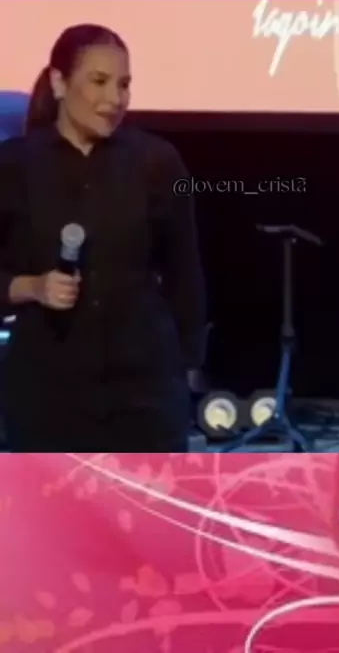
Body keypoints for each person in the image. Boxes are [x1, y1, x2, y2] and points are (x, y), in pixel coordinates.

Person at [0, 24, 206, 451]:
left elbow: (185, 274)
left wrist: (187, 371)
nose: (115, 98)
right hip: (47, 392)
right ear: (59, 82)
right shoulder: (13, 167)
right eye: (99, 81)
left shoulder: (157, 162)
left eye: (124, 84)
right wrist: (31, 287)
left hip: (146, 392)